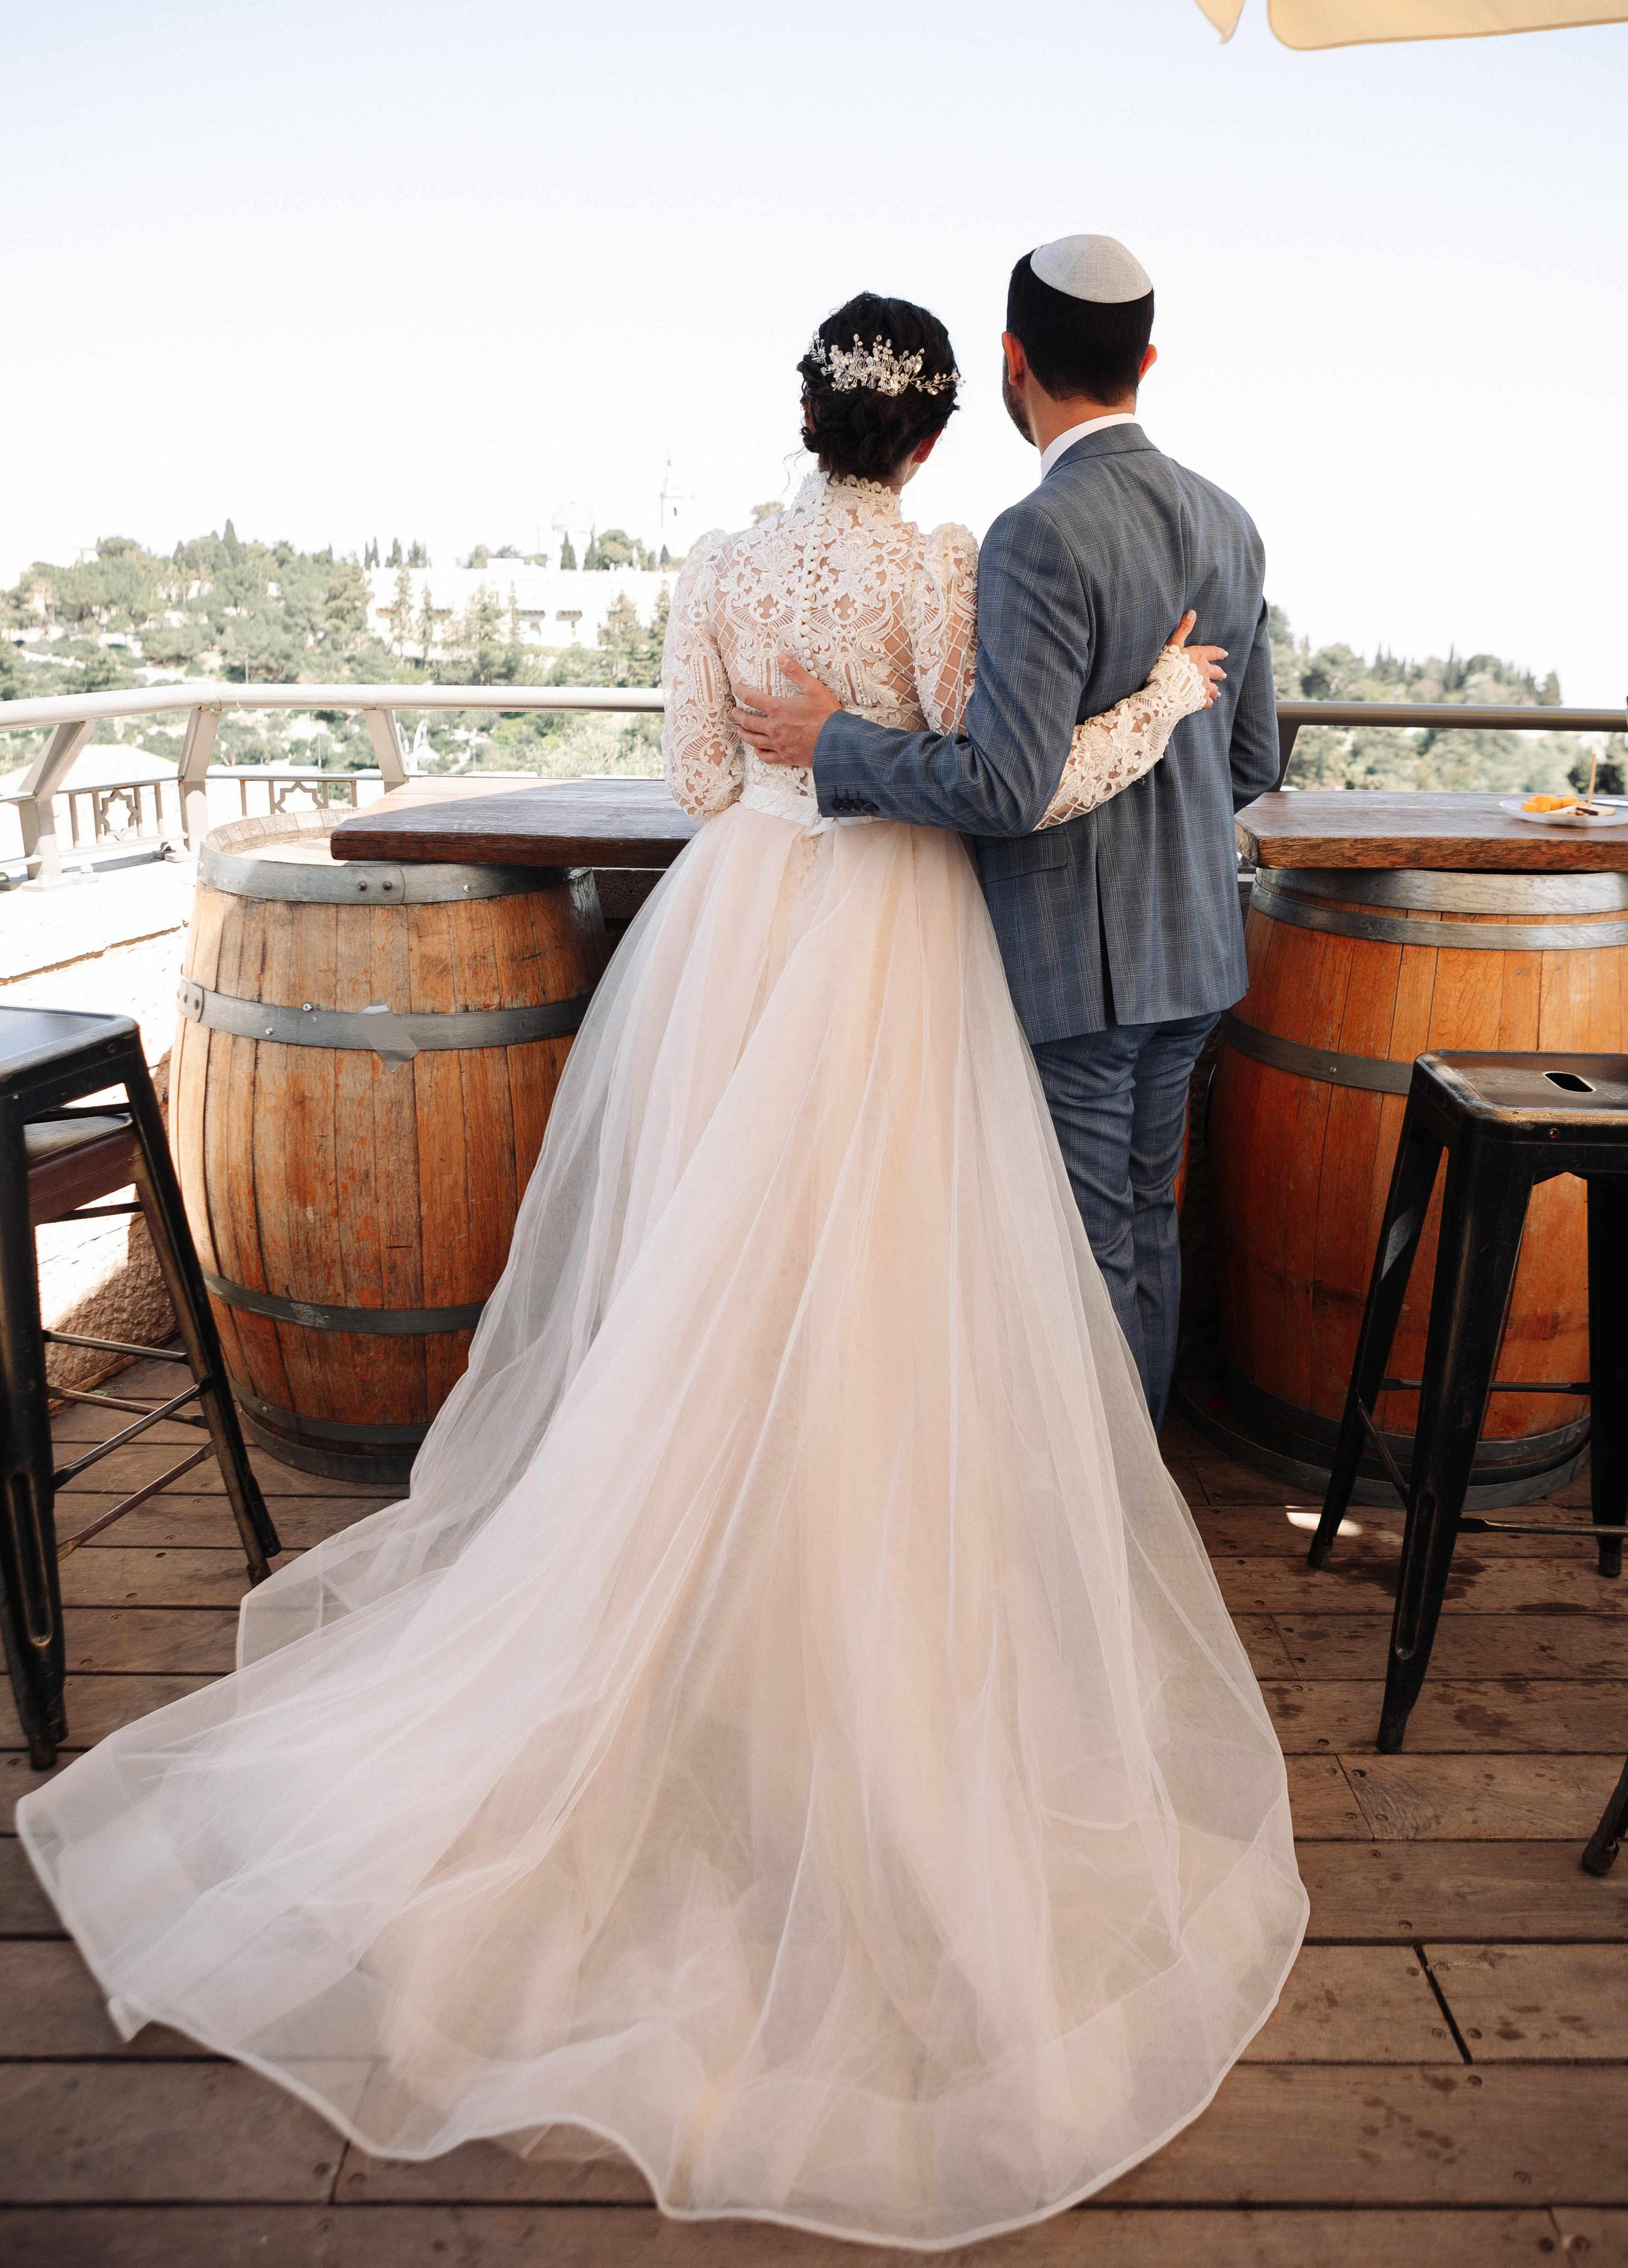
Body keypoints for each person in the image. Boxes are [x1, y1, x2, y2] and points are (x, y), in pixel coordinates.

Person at [19, 289, 1304, 2254]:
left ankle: (695, 1604)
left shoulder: (718, 563)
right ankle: (872, 1622)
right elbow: (997, 773)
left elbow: (709, 786)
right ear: (943, 432)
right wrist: (1169, 702)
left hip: (744, 944)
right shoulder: (960, 563)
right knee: (897, 1309)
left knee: (717, 1296)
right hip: (899, 952)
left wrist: (810, 758)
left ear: (807, 419)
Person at [738, 235, 1280, 1426]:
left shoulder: (1040, 531)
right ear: (1146, 360)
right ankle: (1137, 1496)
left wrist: (836, 742)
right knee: (1144, 1218)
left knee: (1082, 1251)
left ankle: (1101, 1526)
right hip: (1193, 949)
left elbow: (1001, 784)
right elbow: (1254, 761)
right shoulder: (1232, 522)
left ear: (1011, 362)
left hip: (1073, 969)